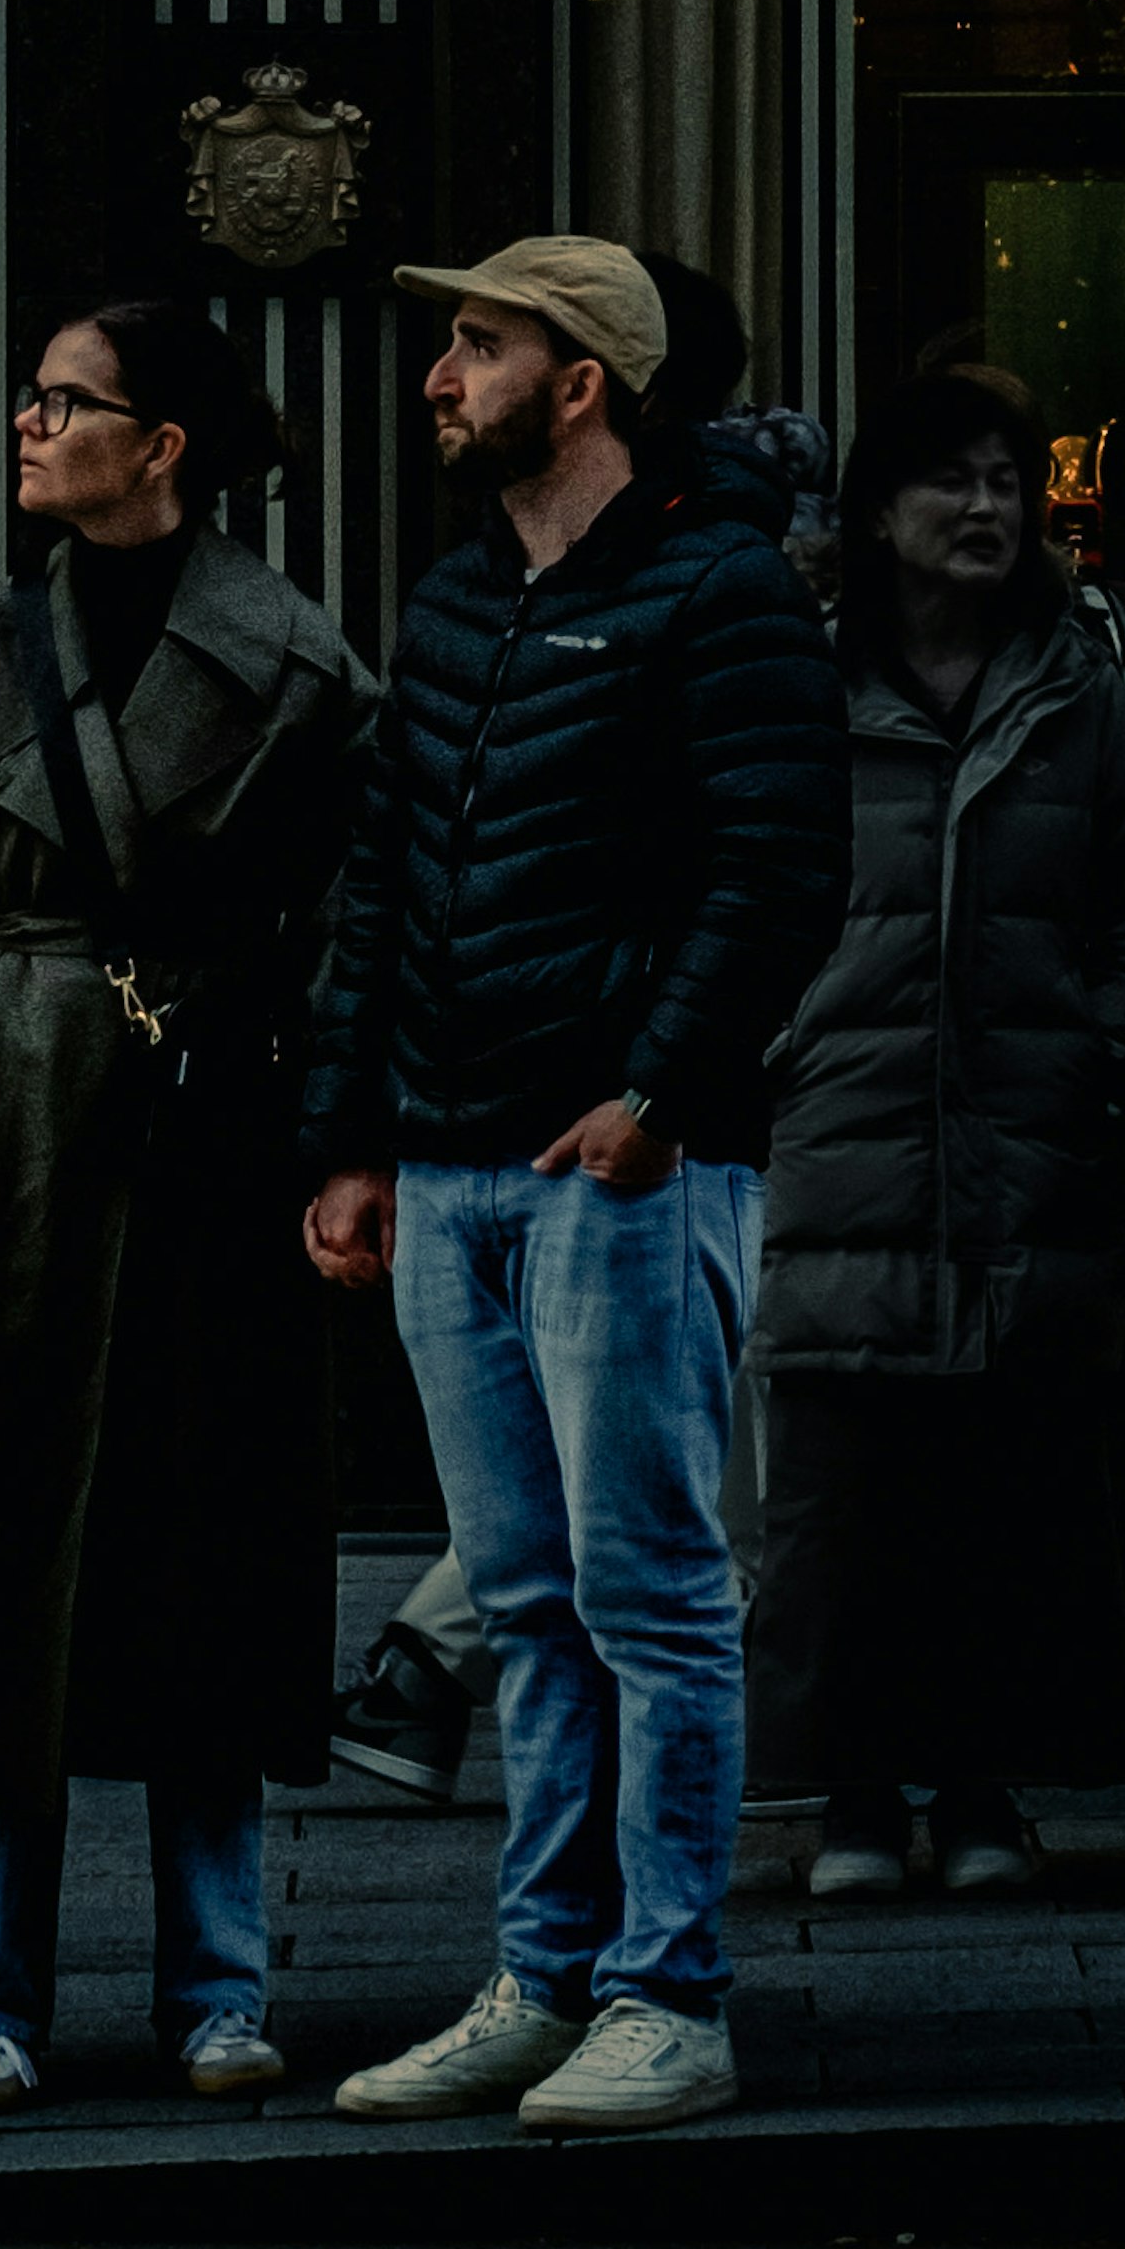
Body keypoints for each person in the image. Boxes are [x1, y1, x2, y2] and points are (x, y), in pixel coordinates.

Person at [304, 235, 845, 2139]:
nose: (442, 376)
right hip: (462, 1163)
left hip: (618, 1165)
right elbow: (383, 883)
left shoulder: (720, 596)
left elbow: (780, 867)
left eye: (478, 343)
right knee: (529, 1595)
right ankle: (550, 1973)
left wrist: (657, 1094)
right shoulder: (465, 599)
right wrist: (355, 1135)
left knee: (650, 1591)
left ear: (585, 377)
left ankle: (665, 1991)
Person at [0, 298, 372, 2115]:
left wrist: (318, 1114)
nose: (30, 421)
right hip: (8, 1128)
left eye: (71, 399)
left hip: (210, 1124)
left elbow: (353, 912)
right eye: (34, 391)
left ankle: (221, 1982)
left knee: (201, 1547)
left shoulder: (295, 664)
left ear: (167, 446)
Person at [748, 371, 1125, 1896]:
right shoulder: (799, 685)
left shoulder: (1073, 689)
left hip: (1024, 1141)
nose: (988, 508)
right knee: (848, 1493)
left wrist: (1104, 1037)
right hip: (842, 1136)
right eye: (953, 481)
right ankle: (857, 1797)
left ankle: (986, 1791)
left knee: (1006, 1485)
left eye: (1006, 481)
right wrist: (774, 1055)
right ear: (878, 511)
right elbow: (728, 886)